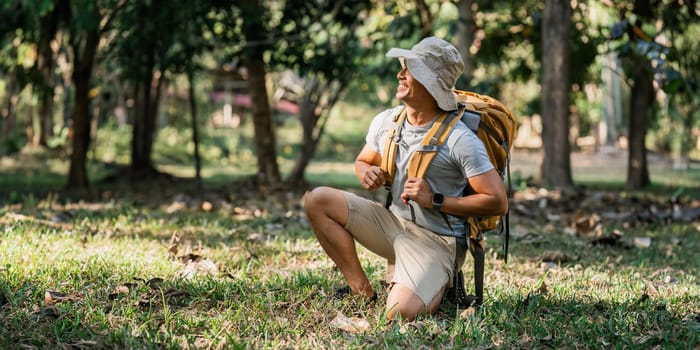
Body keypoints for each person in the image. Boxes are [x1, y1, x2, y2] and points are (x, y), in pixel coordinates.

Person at [303, 36, 508, 321]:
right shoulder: (388, 121)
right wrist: (367, 173)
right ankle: (361, 289)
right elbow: (363, 161)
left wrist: (435, 199)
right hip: (391, 224)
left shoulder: (461, 139)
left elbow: (497, 201)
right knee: (317, 200)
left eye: (410, 69)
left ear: (430, 82)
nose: (400, 74)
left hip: (437, 240)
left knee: (399, 314)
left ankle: (439, 280)